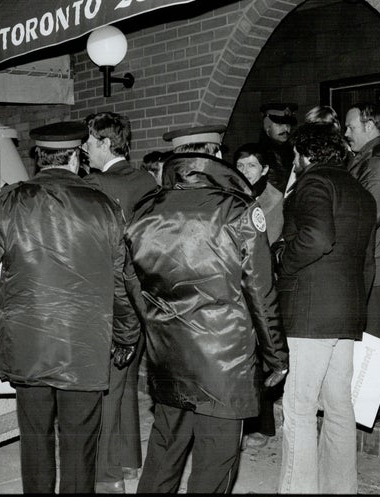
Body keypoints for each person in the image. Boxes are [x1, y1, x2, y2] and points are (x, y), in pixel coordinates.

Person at [0, 121, 140, 494]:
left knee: (35, 443)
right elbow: (122, 281)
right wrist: (126, 335)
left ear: (40, 157)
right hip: (84, 348)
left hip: (30, 347)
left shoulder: (10, 201)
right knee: (80, 448)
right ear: (77, 158)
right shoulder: (106, 207)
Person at [125, 135, 289, 493]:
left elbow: (132, 283)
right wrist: (276, 355)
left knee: (164, 453)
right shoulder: (238, 209)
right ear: (212, 157)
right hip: (223, 361)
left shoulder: (144, 210)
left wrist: (158, 323)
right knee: (214, 465)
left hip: (169, 355)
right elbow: (260, 291)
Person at [276, 123, 376, 494]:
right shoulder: (361, 193)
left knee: (299, 409)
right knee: (339, 409)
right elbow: (368, 262)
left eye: (295, 156)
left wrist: (283, 260)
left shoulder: (313, 183)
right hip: (347, 313)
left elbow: (317, 237)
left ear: (304, 154)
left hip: (311, 314)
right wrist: (355, 306)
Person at [82, 111, 158, 494]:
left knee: (107, 386)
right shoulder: (145, 178)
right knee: (126, 381)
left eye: (91, 142)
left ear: (107, 144)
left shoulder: (96, 184)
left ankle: (108, 474)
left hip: (110, 295)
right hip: (143, 293)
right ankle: (129, 458)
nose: (85, 148)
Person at [344, 102, 380, 424]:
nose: (346, 133)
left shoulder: (378, 160)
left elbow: (372, 211)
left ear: (369, 125)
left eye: (351, 127)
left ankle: (377, 411)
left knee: (377, 341)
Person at [232, 143, 284, 450]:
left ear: (264, 170)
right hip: (236, 285)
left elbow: (266, 245)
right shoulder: (234, 193)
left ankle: (262, 427)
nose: (244, 171)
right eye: (240, 165)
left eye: (251, 165)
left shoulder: (272, 199)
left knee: (260, 358)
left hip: (259, 285)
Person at [259, 102, 298, 193]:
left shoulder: (294, 151)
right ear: (267, 127)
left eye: (288, 125)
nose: (286, 129)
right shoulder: (260, 154)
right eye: (279, 125)